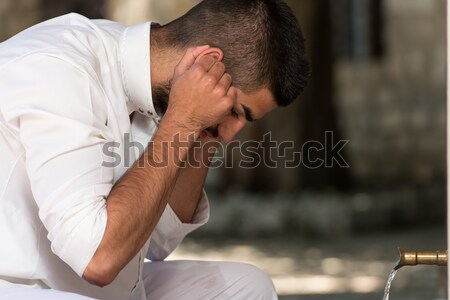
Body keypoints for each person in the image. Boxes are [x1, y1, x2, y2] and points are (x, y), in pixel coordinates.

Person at [0, 0, 310, 299]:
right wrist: (182, 121)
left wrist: (201, 131)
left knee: (248, 286)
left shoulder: (146, 74)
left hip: (89, 285)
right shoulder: (62, 73)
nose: (229, 135)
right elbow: (98, 259)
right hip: (18, 285)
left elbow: (159, 239)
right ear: (208, 63)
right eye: (235, 112)